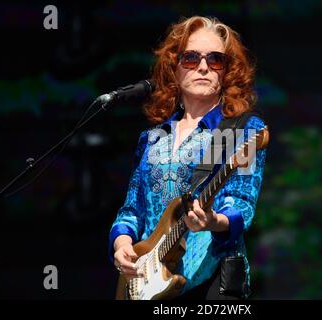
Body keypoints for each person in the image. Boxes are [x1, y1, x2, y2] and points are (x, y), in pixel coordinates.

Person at [108, 16, 267, 300]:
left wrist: (213, 220)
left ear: (227, 71)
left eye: (216, 60)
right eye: (191, 58)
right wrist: (122, 245)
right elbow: (131, 211)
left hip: (211, 282)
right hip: (149, 283)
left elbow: (241, 204)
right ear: (175, 67)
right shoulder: (153, 137)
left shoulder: (239, 129)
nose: (204, 67)